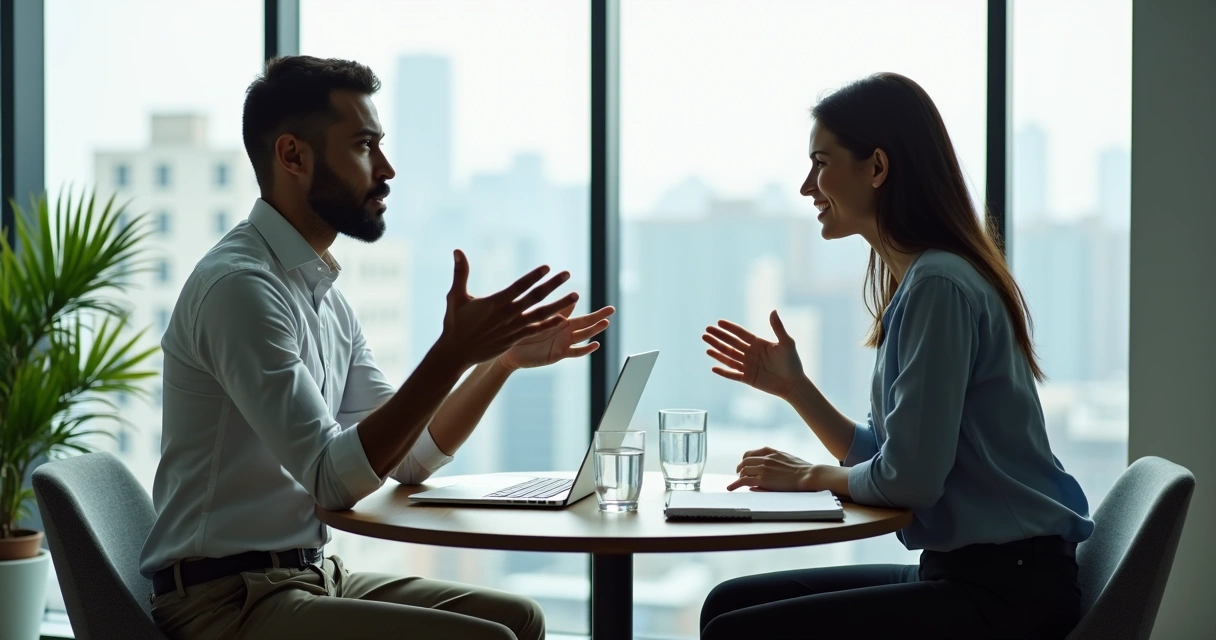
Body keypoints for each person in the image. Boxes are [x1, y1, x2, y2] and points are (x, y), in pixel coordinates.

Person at [139, 55, 613, 640]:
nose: (386, 169)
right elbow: (330, 479)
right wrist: (451, 353)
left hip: (312, 578)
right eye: (364, 146)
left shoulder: (322, 295)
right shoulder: (240, 288)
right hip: (225, 602)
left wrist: (500, 359)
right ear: (293, 156)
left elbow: (410, 458)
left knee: (520, 618)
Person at [698, 72, 1094, 640]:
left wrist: (811, 476)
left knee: (738, 629)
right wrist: (796, 389)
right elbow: (892, 457)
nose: (808, 186)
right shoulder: (921, 280)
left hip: (1006, 593)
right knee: (727, 603)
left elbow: (907, 482)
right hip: (972, 572)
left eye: (821, 162)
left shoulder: (938, 284)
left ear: (877, 168)